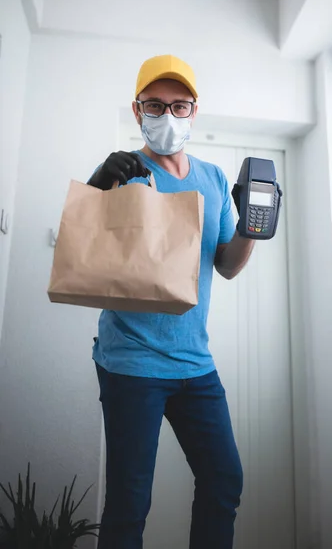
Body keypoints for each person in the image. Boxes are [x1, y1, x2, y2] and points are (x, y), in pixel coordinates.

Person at [88, 55, 256, 549]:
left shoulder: (213, 179)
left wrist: (252, 222)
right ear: (138, 111)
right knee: (128, 505)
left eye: (179, 106)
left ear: (194, 112)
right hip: (131, 362)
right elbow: (86, 249)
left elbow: (226, 265)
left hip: (194, 362)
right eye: (156, 106)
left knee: (224, 481)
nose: (168, 115)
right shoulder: (124, 172)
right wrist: (99, 184)